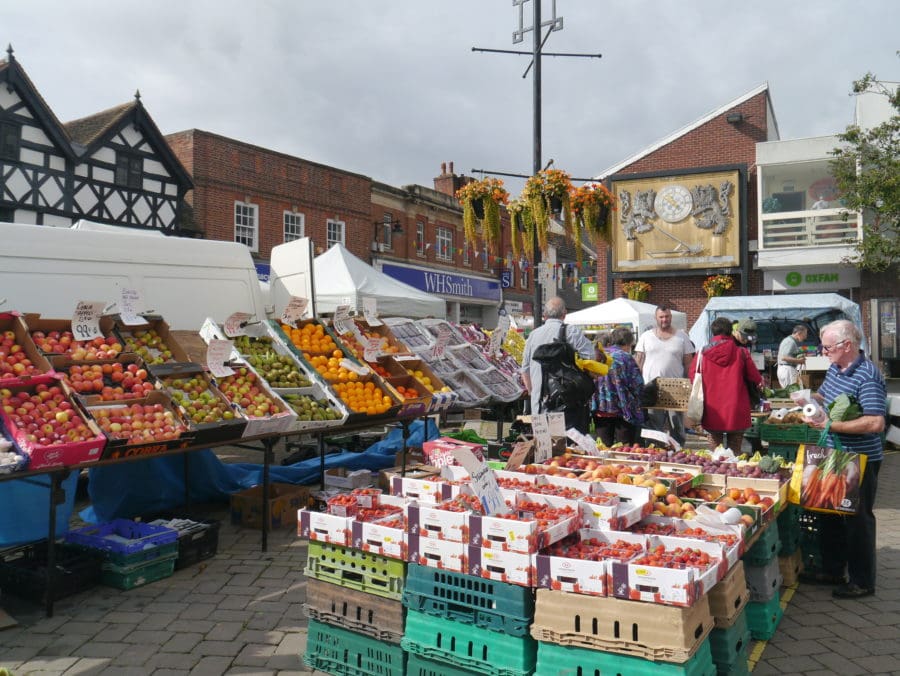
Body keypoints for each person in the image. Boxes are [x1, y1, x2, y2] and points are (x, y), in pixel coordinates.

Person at [802, 319, 886, 599]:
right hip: (833, 453)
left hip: (859, 458)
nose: (823, 352)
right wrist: (805, 400)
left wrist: (830, 425)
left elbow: (875, 423)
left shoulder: (867, 375)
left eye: (827, 347)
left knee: (857, 520)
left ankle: (862, 581)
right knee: (829, 512)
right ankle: (832, 569)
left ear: (846, 345)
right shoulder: (836, 369)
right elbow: (824, 396)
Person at [689, 317, 762, 454]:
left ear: (713, 332)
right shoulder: (741, 352)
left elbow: (693, 377)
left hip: (712, 410)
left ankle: (716, 475)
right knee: (735, 452)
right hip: (737, 409)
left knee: (716, 453)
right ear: (730, 332)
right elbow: (756, 378)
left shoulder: (701, 354)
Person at [521, 296, 594, 433]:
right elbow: (590, 359)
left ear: (544, 315)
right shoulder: (571, 332)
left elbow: (525, 369)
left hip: (539, 406)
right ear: (564, 314)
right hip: (567, 404)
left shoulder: (533, 335)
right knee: (569, 449)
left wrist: (533, 393)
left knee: (543, 448)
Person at [634, 305, 695, 445]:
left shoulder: (682, 337)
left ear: (671, 317)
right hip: (652, 388)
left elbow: (688, 364)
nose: (664, 319)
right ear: (656, 318)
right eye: (661, 317)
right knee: (654, 426)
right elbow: (639, 362)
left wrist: (688, 386)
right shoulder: (646, 336)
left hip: (677, 388)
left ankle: (677, 452)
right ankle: (656, 453)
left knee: (677, 426)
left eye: (667, 316)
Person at [591, 327, 645, 446]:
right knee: (624, 448)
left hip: (600, 408)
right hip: (622, 410)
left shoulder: (597, 355)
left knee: (604, 447)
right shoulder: (625, 357)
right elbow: (637, 384)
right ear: (628, 343)